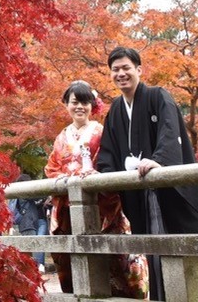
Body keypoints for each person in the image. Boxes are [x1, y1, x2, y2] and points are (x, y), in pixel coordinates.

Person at [95, 46, 198, 302]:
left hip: (172, 195)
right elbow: (108, 152)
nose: (121, 74)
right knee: (156, 259)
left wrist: (158, 160)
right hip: (141, 199)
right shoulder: (116, 109)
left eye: (126, 68)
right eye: (115, 70)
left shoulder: (158, 96)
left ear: (139, 69)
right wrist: (102, 174)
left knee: (195, 253)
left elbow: (171, 133)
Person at [44, 80, 147, 298]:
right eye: (74, 102)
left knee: (115, 256)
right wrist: (63, 178)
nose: (79, 107)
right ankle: (80, 294)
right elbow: (51, 167)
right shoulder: (61, 136)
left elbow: (109, 162)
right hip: (68, 206)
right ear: (66, 104)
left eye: (85, 102)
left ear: (93, 105)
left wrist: (93, 175)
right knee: (71, 255)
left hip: (101, 204)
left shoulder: (101, 131)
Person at [8, 173, 49, 272]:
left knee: (39, 242)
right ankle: (33, 268)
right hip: (27, 223)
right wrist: (48, 191)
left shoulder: (19, 194)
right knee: (32, 245)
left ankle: (39, 265)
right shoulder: (23, 192)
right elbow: (38, 196)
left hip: (35, 220)